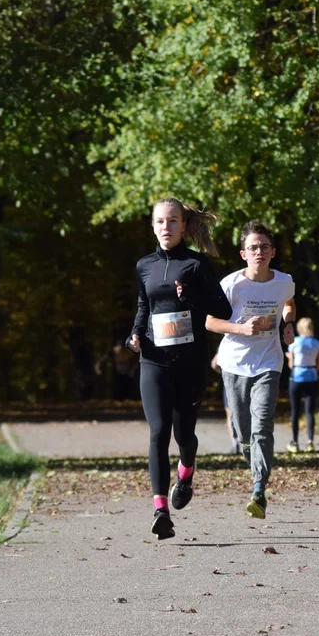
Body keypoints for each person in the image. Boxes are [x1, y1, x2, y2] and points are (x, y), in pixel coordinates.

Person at [127, 197, 232, 540]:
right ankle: (161, 510)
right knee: (158, 433)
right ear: (153, 225)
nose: (165, 228)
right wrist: (135, 333)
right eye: (160, 222)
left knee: (183, 435)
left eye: (172, 222)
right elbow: (145, 306)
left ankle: (185, 473)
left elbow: (224, 309)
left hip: (189, 362)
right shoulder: (144, 265)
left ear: (184, 226)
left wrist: (191, 298)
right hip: (154, 360)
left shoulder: (197, 264)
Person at [206, 221, 295, 519]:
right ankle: (251, 457)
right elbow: (209, 321)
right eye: (253, 247)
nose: (259, 251)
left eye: (264, 247)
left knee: (263, 424)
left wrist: (289, 324)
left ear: (273, 252)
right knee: (242, 430)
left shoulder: (283, 281)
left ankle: (259, 487)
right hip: (234, 364)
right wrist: (241, 328)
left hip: (269, 361)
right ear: (243, 254)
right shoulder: (231, 284)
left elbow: (288, 303)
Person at [285, 317, 319, 453]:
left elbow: (291, 365)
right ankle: (310, 442)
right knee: (310, 411)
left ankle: (295, 442)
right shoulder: (317, 343)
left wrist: (289, 358)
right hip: (312, 376)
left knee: (295, 411)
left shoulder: (294, 342)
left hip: (297, 376)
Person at [210, 354, 240, 454]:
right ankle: (246, 443)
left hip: (229, 382)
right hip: (246, 380)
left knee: (230, 414)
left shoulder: (226, 342)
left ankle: (235, 443)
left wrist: (223, 373)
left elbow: (214, 364)